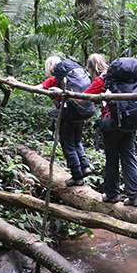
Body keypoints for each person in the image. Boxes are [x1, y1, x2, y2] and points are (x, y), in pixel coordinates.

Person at [97, 56, 137, 207]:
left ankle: (112, 194)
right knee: (129, 157)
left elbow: (88, 94)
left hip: (112, 125)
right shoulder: (136, 84)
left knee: (112, 159)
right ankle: (135, 196)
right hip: (129, 125)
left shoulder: (108, 83)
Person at [41, 55, 94, 187]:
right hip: (80, 111)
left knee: (68, 145)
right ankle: (85, 166)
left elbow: (38, 87)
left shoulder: (54, 79)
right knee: (76, 141)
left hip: (68, 114)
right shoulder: (73, 76)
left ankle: (77, 176)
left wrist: (14, 82)